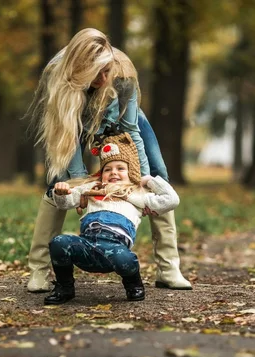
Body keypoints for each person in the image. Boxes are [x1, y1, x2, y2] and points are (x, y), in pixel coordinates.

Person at [26, 27, 192, 293]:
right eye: (97, 73)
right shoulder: (55, 76)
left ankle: (169, 269)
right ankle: (38, 270)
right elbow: (67, 138)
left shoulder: (122, 74)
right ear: (79, 69)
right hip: (70, 125)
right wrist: (79, 187)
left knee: (159, 174)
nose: (104, 78)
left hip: (122, 121)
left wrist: (141, 180)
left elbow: (132, 130)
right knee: (59, 182)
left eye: (107, 71)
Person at [44, 132, 180, 304]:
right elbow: (65, 203)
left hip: (115, 248)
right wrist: (61, 192)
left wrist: (149, 181)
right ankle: (65, 287)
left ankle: (133, 283)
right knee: (58, 242)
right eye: (107, 169)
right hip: (87, 244)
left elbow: (172, 200)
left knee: (125, 258)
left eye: (120, 168)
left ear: (131, 172)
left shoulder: (138, 194)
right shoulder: (93, 188)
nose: (113, 172)